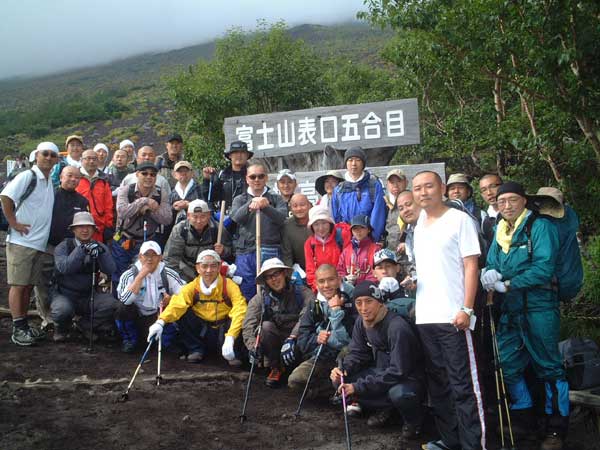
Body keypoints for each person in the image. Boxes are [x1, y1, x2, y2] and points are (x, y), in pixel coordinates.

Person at [482, 182, 567, 450]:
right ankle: (524, 423)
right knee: (509, 364)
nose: (506, 206)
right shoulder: (500, 230)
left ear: (524, 201)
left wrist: (508, 284)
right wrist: (489, 273)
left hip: (540, 306)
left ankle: (556, 428)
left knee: (549, 367)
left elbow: (544, 267)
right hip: (512, 309)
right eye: (501, 201)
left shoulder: (540, 227)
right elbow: (494, 261)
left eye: (512, 200)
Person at [411, 170, 485, 450]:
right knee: (439, 386)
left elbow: (471, 266)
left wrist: (467, 307)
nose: (423, 192)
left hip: (454, 317)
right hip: (426, 317)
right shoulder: (419, 225)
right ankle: (450, 441)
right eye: (417, 188)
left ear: (442, 188)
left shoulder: (460, 220)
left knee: (464, 385)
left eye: (428, 186)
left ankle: (473, 445)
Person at [330, 281, 426, 436]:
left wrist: (358, 387)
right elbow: (357, 353)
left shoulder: (397, 327)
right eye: (358, 303)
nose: (363, 308)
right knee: (339, 381)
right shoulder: (361, 322)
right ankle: (387, 408)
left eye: (369, 302)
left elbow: (397, 372)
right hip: (382, 372)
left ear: (381, 303)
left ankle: (414, 421)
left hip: (408, 378)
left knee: (399, 394)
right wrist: (344, 369)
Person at [0, 142, 58, 345]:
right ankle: (18, 328)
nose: (49, 157)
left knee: (27, 285)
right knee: (18, 285)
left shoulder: (49, 180)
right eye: (45, 154)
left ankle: (23, 324)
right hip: (21, 242)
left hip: (37, 244)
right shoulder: (27, 176)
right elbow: (6, 196)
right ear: (37, 155)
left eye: (52, 155)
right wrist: (13, 222)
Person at [147, 250, 247, 365]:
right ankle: (195, 349)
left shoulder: (229, 285)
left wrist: (231, 337)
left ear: (219, 267)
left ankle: (233, 351)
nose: (208, 270)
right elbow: (177, 304)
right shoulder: (191, 287)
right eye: (204, 266)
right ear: (198, 268)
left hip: (224, 331)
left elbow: (240, 308)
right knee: (183, 312)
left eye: (213, 266)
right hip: (201, 331)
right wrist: (161, 322)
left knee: (240, 317)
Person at [242, 258, 314, 387]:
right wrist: (253, 347)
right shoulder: (259, 299)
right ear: (265, 281)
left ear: (284, 273)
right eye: (269, 277)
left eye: (276, 274)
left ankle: (301, 366)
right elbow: (249, 324)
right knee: (265, 327)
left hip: (298, 341)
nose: (274, 279)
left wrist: (293, 337)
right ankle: (276, 368)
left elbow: (308, 315)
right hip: (274, 344)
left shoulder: (303, 293)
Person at [50, 212, 118, 342]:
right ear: (73, 229)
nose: (85, 230)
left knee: (113, 304)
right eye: (80, 227)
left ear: (94, 229)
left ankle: (85, 325)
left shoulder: (99, 246)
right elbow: (65, 268)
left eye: (89, 227)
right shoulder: (63, 246)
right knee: (61, 310)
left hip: (88, 295)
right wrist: (81, 250)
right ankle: (62, 328)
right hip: (64, 294)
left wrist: (101, 254)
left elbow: (110, 270)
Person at [289, 264, 354, 398]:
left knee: (348, 352)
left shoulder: (352, 298)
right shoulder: (315, 303)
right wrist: (316, 339)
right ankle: (330, 391)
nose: (326, 285)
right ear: (316, 283)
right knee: (295, 380)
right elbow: (303, 339)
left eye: (331, 280)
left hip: (346, 355)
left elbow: (349, 339)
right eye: (321, 281)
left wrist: (336, 311)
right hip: (323, 354)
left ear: (339, 279)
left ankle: (345, 390)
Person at [36, 166, 89, 329]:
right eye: (70, 176)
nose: (73, 179)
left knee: (70, 281)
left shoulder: (82, 201)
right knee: (43, 281)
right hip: (49, 246)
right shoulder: (49, 195)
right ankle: (47, 317)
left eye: (77, 177)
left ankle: (70, 316)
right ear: (60, 177)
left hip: (72, 249)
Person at [230, 162, 288, 300]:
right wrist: (251, 204)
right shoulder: (240, 199)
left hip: (270, 250)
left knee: (273, 288)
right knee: (247, 289)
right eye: (253, 176)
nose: (257, 180)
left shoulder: (275, 198)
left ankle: (270, 319)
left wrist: (266, 206)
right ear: (247, 179)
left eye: (260, 176)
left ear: (266, 178)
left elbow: (282, 218)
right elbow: (236, 217)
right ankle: (252, 319)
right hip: (245, 251)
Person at [112, 162, 172, 290]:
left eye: (152, 174)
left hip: (148, 241)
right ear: (137, 174)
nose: (149, 177)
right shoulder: (126, 190)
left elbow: (167, 219)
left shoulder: (162, 194)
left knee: (146, 277)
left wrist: (150, 210)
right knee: (120, 275)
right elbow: (122, 212)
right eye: (144, 173)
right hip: (124, 240)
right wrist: (144, 201)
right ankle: (120, 306)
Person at [116, 241, 184, 352]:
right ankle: (130, 341)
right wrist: (140, 277)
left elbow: (185, 295)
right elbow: (125, 300)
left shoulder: (167, 273)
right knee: (122, 308)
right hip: (137, 316)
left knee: (178, 308)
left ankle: (167, 342)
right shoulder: (129, 274)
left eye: (154, 255)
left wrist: (171, 300)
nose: (150, 259)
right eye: (146, 255)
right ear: (140, 256)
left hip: (158, 315)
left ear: (160, 257)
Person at [163, 199, 232, 282]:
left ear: (209, 215)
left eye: (203, 216)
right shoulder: (180, 230)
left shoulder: (217, 229)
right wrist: (180, 280)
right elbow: (171, 259)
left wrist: (223, 251)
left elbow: (231, 251)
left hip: (210, 272)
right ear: (188, 216)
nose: (199, 221)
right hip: (185, 272)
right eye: (195, 217)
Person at [331, 146, 386, 242]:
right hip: (346, 243)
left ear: (363, 163)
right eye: (350, 160)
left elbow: (378, 215)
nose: (353, 164)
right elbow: (336, 219)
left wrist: (371, 239)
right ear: (346, 163)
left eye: (357, 160)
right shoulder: (339, 190)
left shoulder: (373, 186)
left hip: (369, 241)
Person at [304, 205, 350, 292]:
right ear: (312, 227)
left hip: (341, 283)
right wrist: (318, 288)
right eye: (316, 224)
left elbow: (347, 263)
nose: (321, 228)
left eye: (324, 223)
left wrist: (338, 283)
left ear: (330, 223)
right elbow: (310, 271)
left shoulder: (342, 237)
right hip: (322, 287)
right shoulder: (309, 244)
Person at [201, 140, 252, 212]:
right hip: (225, 218)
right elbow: (208, 198)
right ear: (230, 155)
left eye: (242, 152)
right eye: (235, 153)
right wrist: (207, 180)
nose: (239, 155)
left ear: (247, 156)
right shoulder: (221, 175)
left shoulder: (254, 176)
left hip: (248, 216)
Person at [77, 149, 113, 243]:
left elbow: (108, 205)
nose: (91, 161)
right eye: (88, 159)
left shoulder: (103, 180)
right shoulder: (75, 177)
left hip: (99, 229)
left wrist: (108, 225)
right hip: (79, 227)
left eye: (94, 159)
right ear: (81, 160)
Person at [337, 214, 380, 286]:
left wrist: (362, 287)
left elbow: (377, 272)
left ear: (368, 229)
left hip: (368, 290)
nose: (358, 231)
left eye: (362, 227)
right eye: (355, 228)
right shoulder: (346, 250)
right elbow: (339, 270)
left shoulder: (376, 249)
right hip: (348, 289)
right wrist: (345, 279)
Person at [395, 190, 421, 299]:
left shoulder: (431, 226)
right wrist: (412, 278)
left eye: (408, 204)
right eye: (401, 208)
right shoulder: (409, 232)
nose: (405, 210)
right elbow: (414, 262)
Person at [281, 193, 312, 271]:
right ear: (290, 208)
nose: (299, 209)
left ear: (309, 205)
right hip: (299, 271)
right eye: (295, 206)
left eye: (302, 205)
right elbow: (287, 255)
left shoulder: (317, 221)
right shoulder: (287, 226)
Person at [383, 169, 408, 253]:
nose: (395, 185)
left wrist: (406, 241)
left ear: (406, 182)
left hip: (408, 250)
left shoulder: (412, 201)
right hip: (390, 251)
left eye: (399, 181)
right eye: (392, 182)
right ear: (387, 185)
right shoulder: (382, 202)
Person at [478, 173, 504, 243]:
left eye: (492, 186)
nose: (489, 193)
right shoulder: (484, 220)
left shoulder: (517, 213)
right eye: (484, 190)